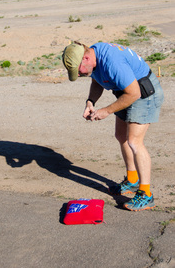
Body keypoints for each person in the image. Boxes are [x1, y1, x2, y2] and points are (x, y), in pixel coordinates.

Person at [62, 41, 164, 211]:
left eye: (78, 70)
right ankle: (132, 180)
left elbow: (134, 93)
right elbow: (97, 80)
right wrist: (90, 101)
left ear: (86, 58)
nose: (78, 75)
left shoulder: (111, 61)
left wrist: (106, 111)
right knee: (121, 136)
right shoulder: (94, 59)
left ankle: (146, 195)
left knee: (134, 142)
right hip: (126, 92)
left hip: (143, 93)